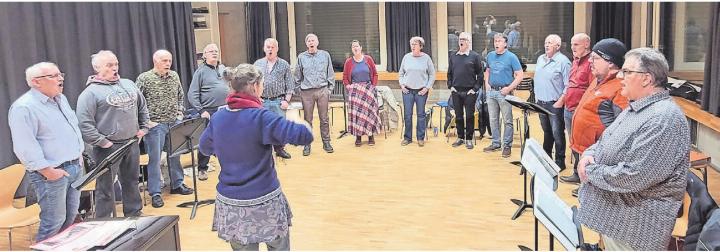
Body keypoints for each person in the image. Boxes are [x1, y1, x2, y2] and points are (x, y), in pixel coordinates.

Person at [578, 47, 690, 250]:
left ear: (647, 79)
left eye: (627, 72)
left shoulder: (663, 119)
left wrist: (589, 170)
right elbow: (607, 138)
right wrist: (589, 154)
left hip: (636, 229)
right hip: (619, 221)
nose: (620, 76)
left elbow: (634, 175)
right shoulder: (638, 105)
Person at [199, 64, 313, 251]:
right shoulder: (262, 117)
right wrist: (294, 117)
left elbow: (204, 147)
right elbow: (304, 135)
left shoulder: (218, 117)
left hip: (231, 203)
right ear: (255, 86)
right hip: (264, 201)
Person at [8, 62, 83, 241]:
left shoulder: (60, 99)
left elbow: (71, 128)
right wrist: (48, 172)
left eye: (60, 74)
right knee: (53, 221)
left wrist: (78, 155)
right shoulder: (24, 107)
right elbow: (25, 146)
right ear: (36, 82)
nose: (61, 78)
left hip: (74, 167)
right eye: (54, 76)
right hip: (51, 173)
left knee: (70, 218)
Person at [76, 50, 149, 217]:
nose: (115, 68)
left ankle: (134, 213)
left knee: (131, 181)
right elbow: (84, 123)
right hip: (108, 147)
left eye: (116, 64)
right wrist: (102, 142)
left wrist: (143, 128)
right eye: (109, 65)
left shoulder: (129, 84)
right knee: (106, 187)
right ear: (97, 68)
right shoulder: (90, 93)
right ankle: (103, 221)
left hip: (131, 143)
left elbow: (142, 107)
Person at [568, 38, 629, 197]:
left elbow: (623, 128)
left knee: (596, 196)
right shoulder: (597, 79)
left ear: (610, 62)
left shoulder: (620, 87)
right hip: (587, 150)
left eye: (595, 58)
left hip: (600, 156)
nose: (590, 62)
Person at [136, 49, 194, 208]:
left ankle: (177, 184)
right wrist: (146, 122)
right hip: (155, 126)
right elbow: (137, 102)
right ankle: (155, 192)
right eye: (164, 61)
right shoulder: (144, 78)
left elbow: (180, 96)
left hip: (173, 123)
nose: (168, 63)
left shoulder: (174, 76)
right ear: (155, 61)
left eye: (169, 60)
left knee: (175, 155)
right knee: (154, 160)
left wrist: (180, 114)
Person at [188, 43, 228, 181]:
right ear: (204, 55)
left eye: (216, 51)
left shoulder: (223, 69)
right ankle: (202, 169)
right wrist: (201, 110)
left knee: (226, 139)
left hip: (224, 110)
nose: (214, 53)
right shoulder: (200, 72)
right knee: (206, 140)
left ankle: (228, 165)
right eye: (211, 51)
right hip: (208, 112)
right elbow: (192, 94)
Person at [559, 33, 594, 184]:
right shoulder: (575, 61)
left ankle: (585, 178)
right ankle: (576, 172)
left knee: (583, 145)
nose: (572, 47)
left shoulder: (591, 63)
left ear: (586, 44)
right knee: (573, 143)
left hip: (581, 111)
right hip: (569, 108)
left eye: (576, 44)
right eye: (572, 44)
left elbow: (592, 89)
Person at [532, 34, 571, 169]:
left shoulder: (563, 61)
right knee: (547, 132)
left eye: (550, 43)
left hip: (555, 104)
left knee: (557, 133)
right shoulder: (540, 59)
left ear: (558, 46)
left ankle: (560, 161)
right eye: (546, 42)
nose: (546, 45)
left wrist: (560, 101)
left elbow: (569, 85)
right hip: (541, 102)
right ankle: (546, 158)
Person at [483, 33, 523, 158]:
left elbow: (520, 75)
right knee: (493, 119)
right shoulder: (490, 55)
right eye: (495, 41)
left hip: (504, 92)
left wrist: (509, 88)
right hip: (491, 92)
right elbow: (487, 71)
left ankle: (507, 145)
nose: (496, 43)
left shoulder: (511, 57)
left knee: (507, 120)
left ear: (505, 43)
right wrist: (487, 85)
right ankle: (495, 142)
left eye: (499, 41)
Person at [254, 38, 294, 159]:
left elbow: (290, 85)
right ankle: (264, 152)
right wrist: (256, 98)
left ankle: (279, 149)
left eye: (272, 47)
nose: (270, 49)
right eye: (268, 47)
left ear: (277, 49)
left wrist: (286, 101)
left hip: (278, 101)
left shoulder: (284, 64)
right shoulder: (257, 64)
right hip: (262, 101)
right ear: (264, 48)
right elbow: (252, 83)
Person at [295, 33, 335, 156]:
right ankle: (307, 145)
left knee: (324, 119)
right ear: (306, 44)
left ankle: (326, 142)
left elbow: (330, 72)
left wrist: (329, 89)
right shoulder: (301, 57)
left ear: (317, 42)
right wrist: (299, 91)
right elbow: (297, 76)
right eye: (309, 41)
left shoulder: (325, 55)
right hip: (307, 92)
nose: (311, 43)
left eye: (313, 40)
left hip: (323, 90)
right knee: (308, 120)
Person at [448, 32, 484, 149]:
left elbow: (480, 74)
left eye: (464, 39)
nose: (461, 41)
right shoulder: (453, 56)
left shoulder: (475, 56)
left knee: (469, 116)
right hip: (456, 91)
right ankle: (460, 138)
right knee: (458, 116)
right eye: (460, 39)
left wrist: (475, 89)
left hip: (470, 92)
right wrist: (450, 86)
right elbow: (449, 73)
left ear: (469, 42)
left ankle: (469, 138)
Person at [342, 39, 381, 147]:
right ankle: (358, 137)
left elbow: (375, 74)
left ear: (361, 47)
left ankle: (370, 136)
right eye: (353, 47)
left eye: (357, 46)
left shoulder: (368, 59)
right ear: (352, 49)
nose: (355, 48)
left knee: (369, 114)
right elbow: (345, 77)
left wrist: (373, 86)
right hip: (355, 91)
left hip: (368, 89)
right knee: (357, 115)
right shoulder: (348, 62)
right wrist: (348, 87)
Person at [399, 36, 436, 147]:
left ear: (421, 46)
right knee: (407, 115)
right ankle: (408, 138)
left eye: (415, 44)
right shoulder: (406, 57)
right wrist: (401, 85)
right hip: (407, 91)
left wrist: (427, 88)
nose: (413, 46)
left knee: (421, 115)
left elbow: (432, 74)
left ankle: (420, 138)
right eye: (412, 44)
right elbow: (401, 73)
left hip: (421, 91)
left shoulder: (426, 58)